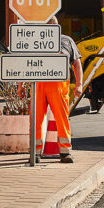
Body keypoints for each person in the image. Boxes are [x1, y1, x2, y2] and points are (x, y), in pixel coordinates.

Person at [32, 17, 83, 163]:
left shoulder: (66, 41)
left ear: (57, 27)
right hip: (38, 84)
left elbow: (77, 64)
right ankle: (35, 153)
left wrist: (79, 84)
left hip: (58, 85)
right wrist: (21, 86)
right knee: (36, 119)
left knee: (61, 118)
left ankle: (65, 152)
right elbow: (26, 64)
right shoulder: (34, 41)